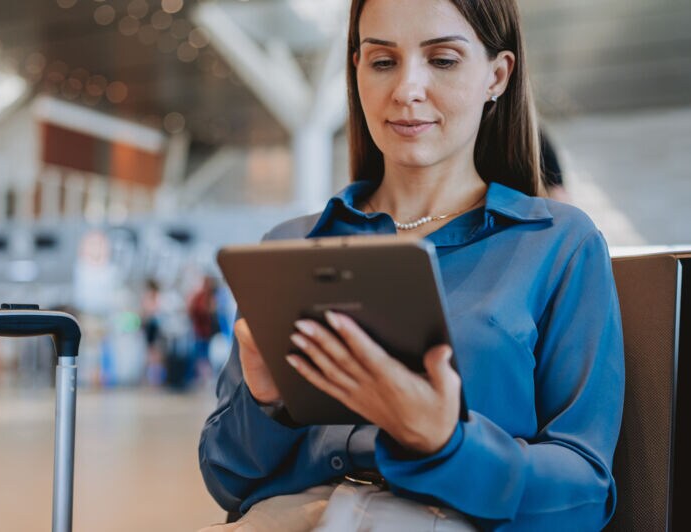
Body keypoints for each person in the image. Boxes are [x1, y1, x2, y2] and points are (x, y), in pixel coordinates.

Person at [198, 0, 624, 530]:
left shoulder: (559, 244)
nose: (407, 89)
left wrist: (448, 445)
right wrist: (266, 405)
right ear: (357, 70)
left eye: (442, 60)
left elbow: (584, 497)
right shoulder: (292, 246)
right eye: (383, 62)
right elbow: (227, 481)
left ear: (497, 75)